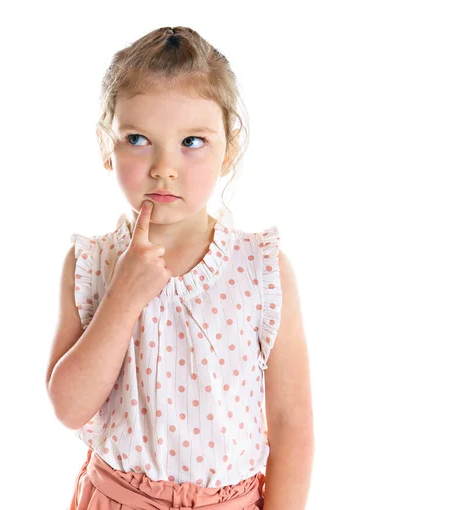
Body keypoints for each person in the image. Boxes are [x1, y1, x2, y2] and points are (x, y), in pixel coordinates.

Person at [46, 26, 314, 510]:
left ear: (229, 148)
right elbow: (69, 407)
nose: (164, 167)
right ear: (108, 147)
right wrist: (124, 296)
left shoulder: (260, 269)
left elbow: (292, 421)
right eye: (139, 139)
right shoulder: (92, 264)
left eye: (192, 141)